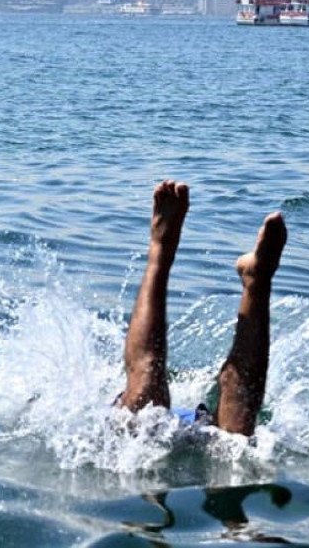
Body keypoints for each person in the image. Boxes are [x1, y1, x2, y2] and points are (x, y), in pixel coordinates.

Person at [116, 180, 286, 437]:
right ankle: (162, 251)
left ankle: (256, 279)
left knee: (236, 437)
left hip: (178, 429)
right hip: (162, 430)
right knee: (146, 393)